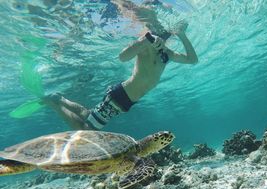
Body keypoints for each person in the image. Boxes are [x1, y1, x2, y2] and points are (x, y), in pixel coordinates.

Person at [44, 0, 198, 130]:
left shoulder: (167, 54)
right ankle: (54, 103)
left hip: (127, 100)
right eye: (158, 33)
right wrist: (144, 40)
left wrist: (182, 36)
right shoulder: (145, 45)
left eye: (164, 34)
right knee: (87, 129)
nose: (162, 37)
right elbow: (123, 57)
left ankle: (60, 100)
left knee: (88, 116)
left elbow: (192, 60)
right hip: (121, 95)